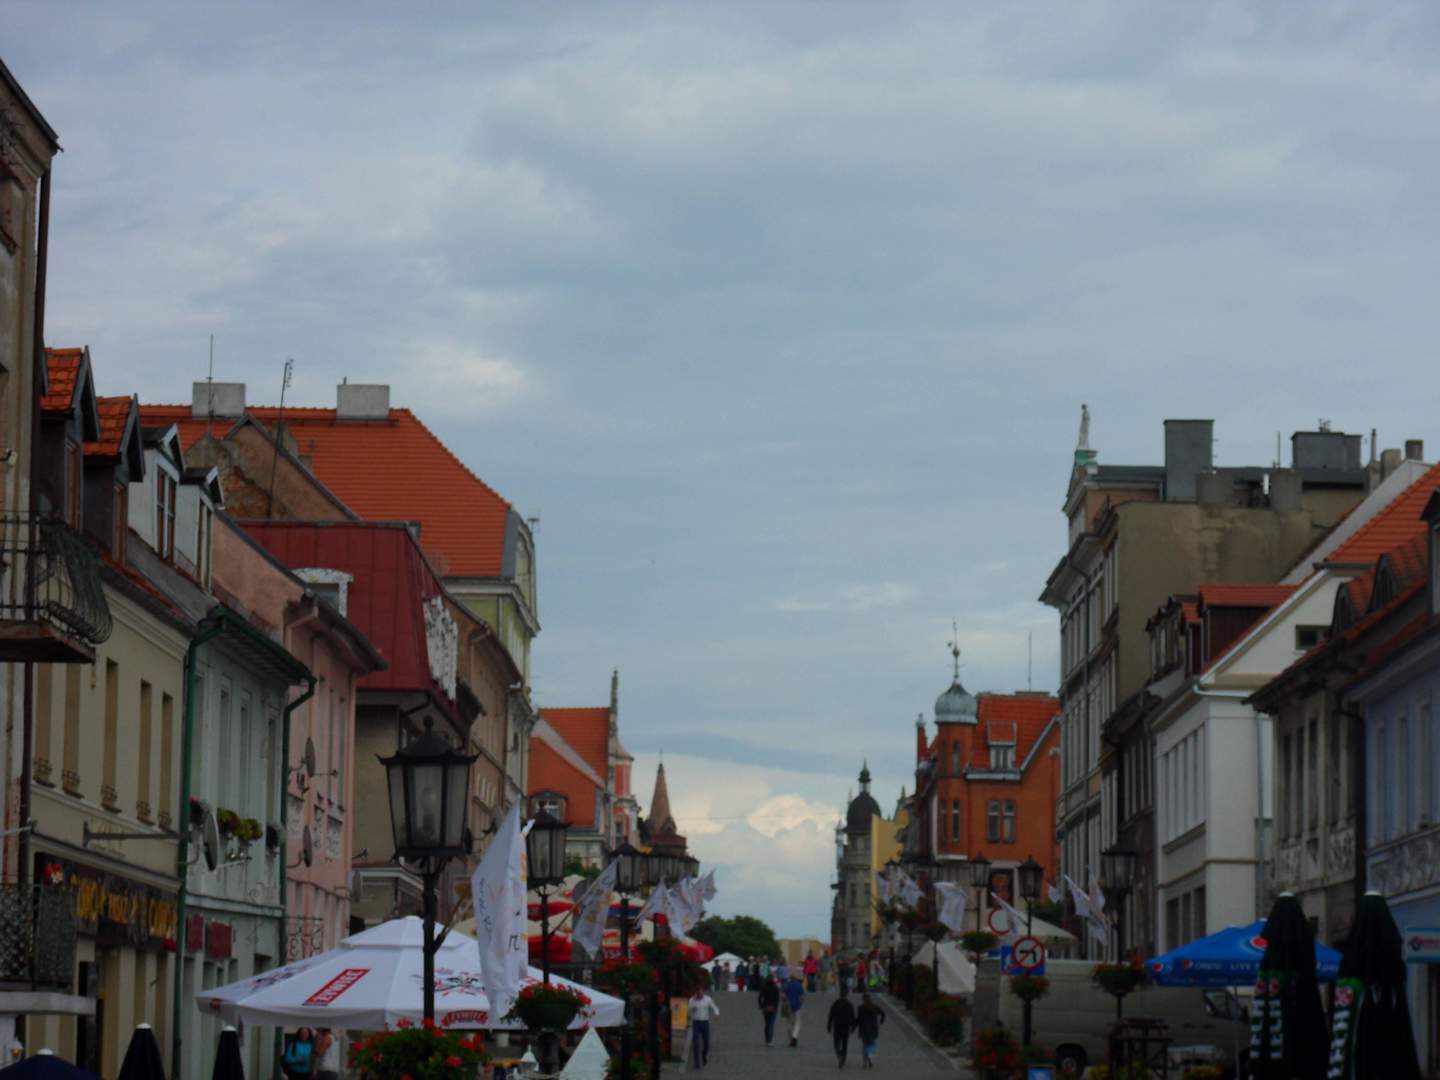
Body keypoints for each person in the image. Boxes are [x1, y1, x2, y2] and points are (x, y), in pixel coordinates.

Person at [688, 985, 720, 1069]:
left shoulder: (707, 999)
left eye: (701, 992)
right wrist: (694, 1002)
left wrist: (716, 1014)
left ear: (703, 992)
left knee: (706, 1043)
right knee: (696, 1043)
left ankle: (704, 1055)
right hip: (696, 1023)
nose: (700, 994)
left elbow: (715, 1007)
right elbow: (688, 1010)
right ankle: (697, 1063)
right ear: (696, 993)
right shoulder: (692, 1000)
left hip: (705, 1023)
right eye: (699, 993)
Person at [826, 991, 856, 1068]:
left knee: (836, 1043)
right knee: (845, 1044)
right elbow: (853, 1017)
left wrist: (829, 1026)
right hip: (846, 1027)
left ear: (840, 995)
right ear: (846, 996)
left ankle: (839, 1055)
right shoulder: (849, 1004)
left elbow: (831, 1016)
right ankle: (843, 1058)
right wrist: (853, 1027)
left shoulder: (836, 1003)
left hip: (837, 1026)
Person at [857, 993, 887, 1069]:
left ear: (863, 1000)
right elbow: (883, 1013)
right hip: (873, 1029)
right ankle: (869, 1059)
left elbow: (859, 1020)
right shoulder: (875, 1007)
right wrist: (881, 1021)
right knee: (870, 1045)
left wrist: (856, 1028)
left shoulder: (861, 1008)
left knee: (865, 1045)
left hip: (864, 1029)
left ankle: (865, 1062)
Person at [783, 972, 805, 1047]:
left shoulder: (786, 985)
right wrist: (800, 1004)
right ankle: (795, 1037)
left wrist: (784, 1002)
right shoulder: (799, 985)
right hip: (797, 1007)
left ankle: (791, 1040)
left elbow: (783, 996)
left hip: (788, 1007)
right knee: (797, 1023)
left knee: (788, 1023)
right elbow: (802, 998)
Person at [758, 976, 780, 1045]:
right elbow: (777, 999)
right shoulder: (775, 988)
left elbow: (760, 997)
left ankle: (767, 1039)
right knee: (771, 1024)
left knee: (767, 1024)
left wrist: (761, 1006)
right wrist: (775, 1006)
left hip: (765, 1007)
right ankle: (770, 1040)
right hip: (773, 1007)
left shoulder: (764, 987)